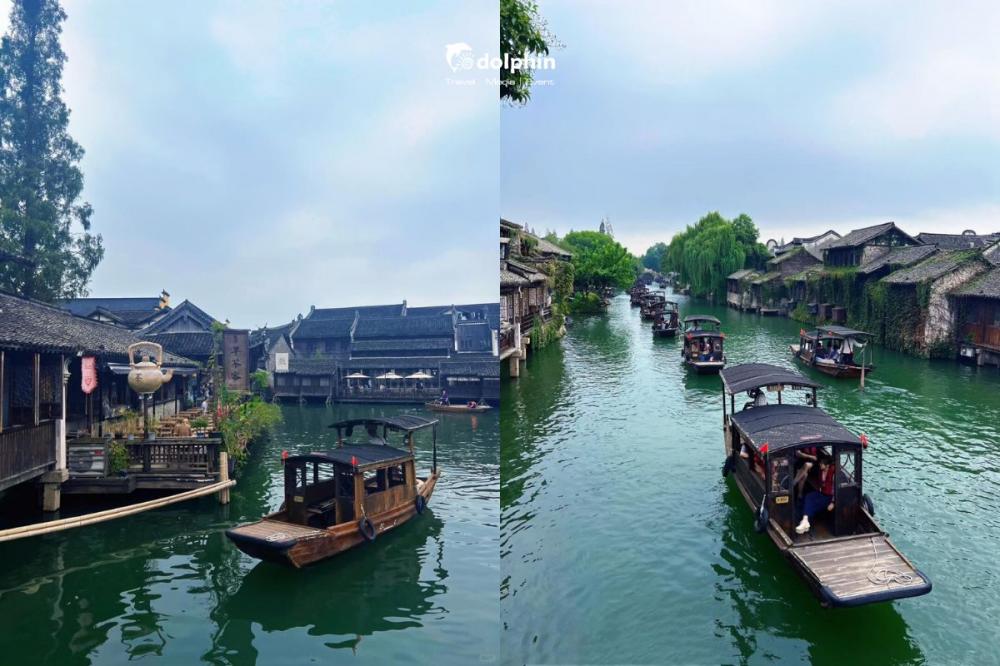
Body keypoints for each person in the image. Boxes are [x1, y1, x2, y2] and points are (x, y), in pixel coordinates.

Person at [795, 453, 835, 534]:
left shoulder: (833, 473)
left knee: (811, 503)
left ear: (827, 466)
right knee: (807, 497)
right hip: (821, 493)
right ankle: (805, 521)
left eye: (822, 464)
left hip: (829, 497)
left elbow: (835, 489)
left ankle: (805, 521)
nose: (820, 465)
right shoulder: (821, 471)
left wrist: (833, 502)